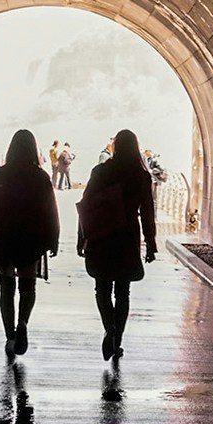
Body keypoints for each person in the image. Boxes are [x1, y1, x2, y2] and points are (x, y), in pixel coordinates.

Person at [0, 129, 60, 358]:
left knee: (6, 287)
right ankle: (23, 322)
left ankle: (10, 336)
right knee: (28, 285)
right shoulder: (41, 177)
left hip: (4, 237)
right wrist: (54, 237)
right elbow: (51, 210)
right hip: (31, 239)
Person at [76, 129, 157, 361]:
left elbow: (86, 206)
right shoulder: (141, 176)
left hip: (101, 234)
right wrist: (150, 243)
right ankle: (117, 339)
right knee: (123, 290)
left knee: (102, 287)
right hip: (127, 235)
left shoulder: (101, 171)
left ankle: (109, 327)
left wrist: (82, 237)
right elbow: (147, 213)